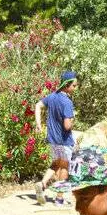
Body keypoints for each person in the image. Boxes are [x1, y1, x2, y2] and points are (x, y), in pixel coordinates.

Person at [34, 71, 79, 207]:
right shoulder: (67, 102)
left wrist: (38, 124)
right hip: (64, 141)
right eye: (74, 85)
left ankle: (42, 184)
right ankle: (59, 199)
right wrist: (73, 120)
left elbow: (38, 105)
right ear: (66, 85)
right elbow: (67, 126)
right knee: (64, 168)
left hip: (53, 140)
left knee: (55, 165)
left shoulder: (52, 96)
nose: (75, 88)